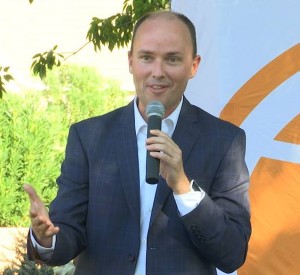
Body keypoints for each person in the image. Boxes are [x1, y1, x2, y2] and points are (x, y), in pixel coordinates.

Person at [24, 10, 251, 275]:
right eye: (146, 58)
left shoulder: (224, 141)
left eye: (173, 59)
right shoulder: (89, 137)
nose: (158, 72)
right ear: (131, 61)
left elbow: (232, 253)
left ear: (194, 65)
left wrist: (183, 188)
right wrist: (46, 238)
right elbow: (69, 233)